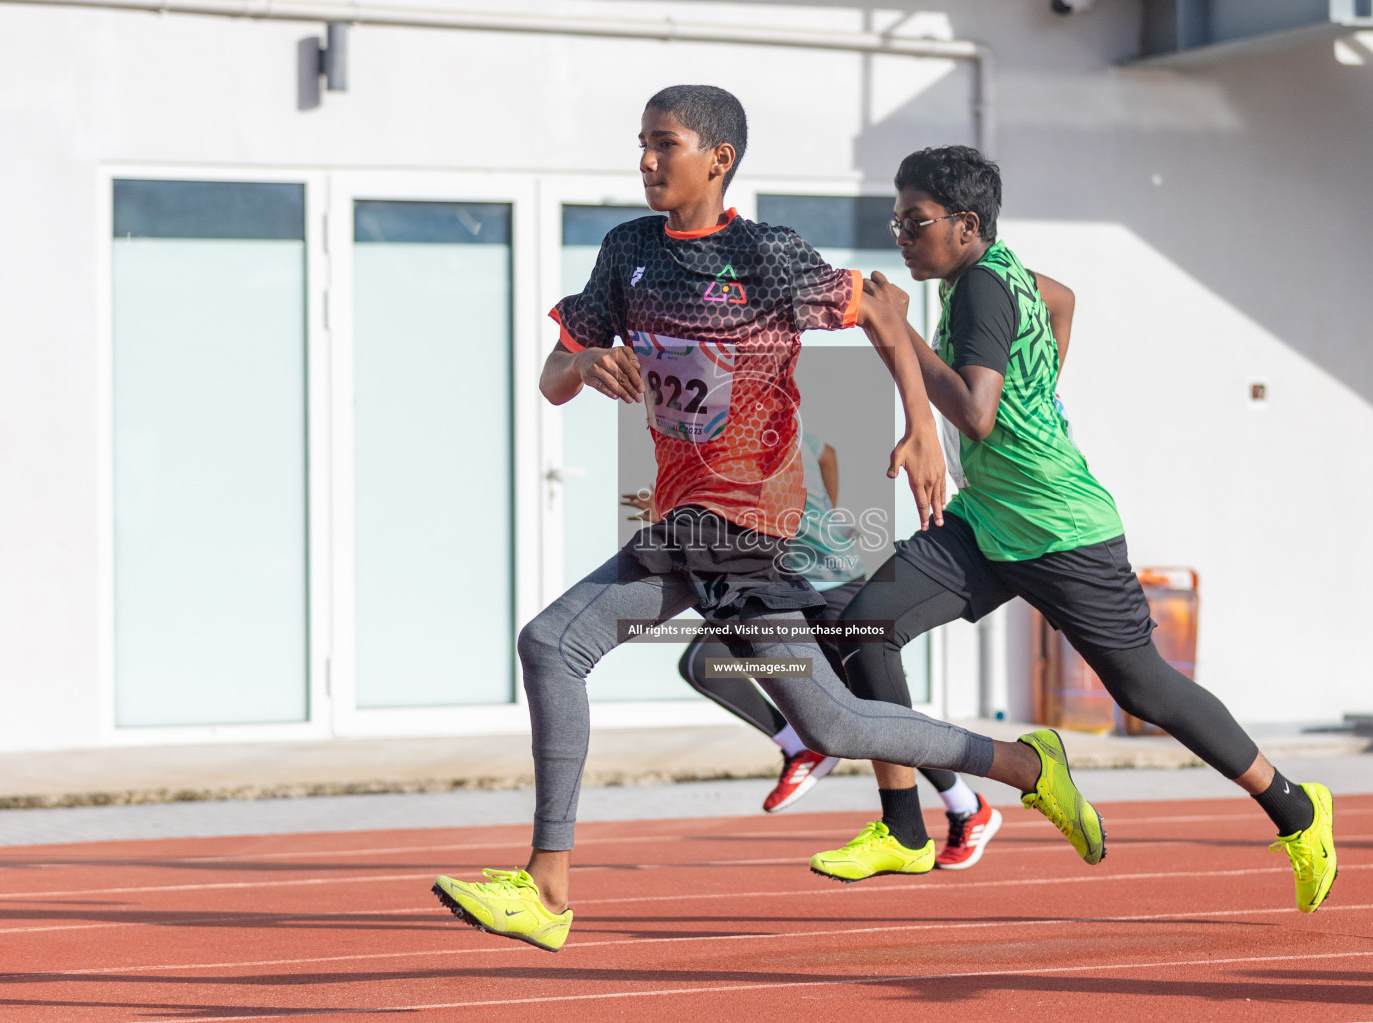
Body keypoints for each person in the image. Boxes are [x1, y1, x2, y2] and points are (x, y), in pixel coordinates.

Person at [431, 88, 1106, 953]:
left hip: (743, 519)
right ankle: (1021, 766)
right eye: (639, 143)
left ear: (717, 158)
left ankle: (547, 886)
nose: (644, 160)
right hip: (686, 517)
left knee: (553, 644)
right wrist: (588, 363)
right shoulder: (627, 252)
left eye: (662, 145)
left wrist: (920, 428)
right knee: (829, 720)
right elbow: (553, 377)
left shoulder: (768, 255)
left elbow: (884, 311)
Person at [808, 145, 1337, 917]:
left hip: (1062, 529)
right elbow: (1063, 300)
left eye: (915, 221)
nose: (901, 233)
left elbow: (976, 412)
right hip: (987, 522)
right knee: (865, 627)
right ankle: (905, 828)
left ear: (967, 224)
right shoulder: (989, 273)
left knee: (1144, 689)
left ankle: (1298, 810)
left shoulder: (982, 289)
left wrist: (898, 331)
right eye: (895, 218)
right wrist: (1040, 391)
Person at [638, 430, 1002, 869]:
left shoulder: (757, 423)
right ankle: (800, 745)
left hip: (827, 580)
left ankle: (965, 804)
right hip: (776, 585)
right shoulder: (732, 421)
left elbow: (747, 498)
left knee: (876, 705)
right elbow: (826, 455)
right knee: (704, 664)